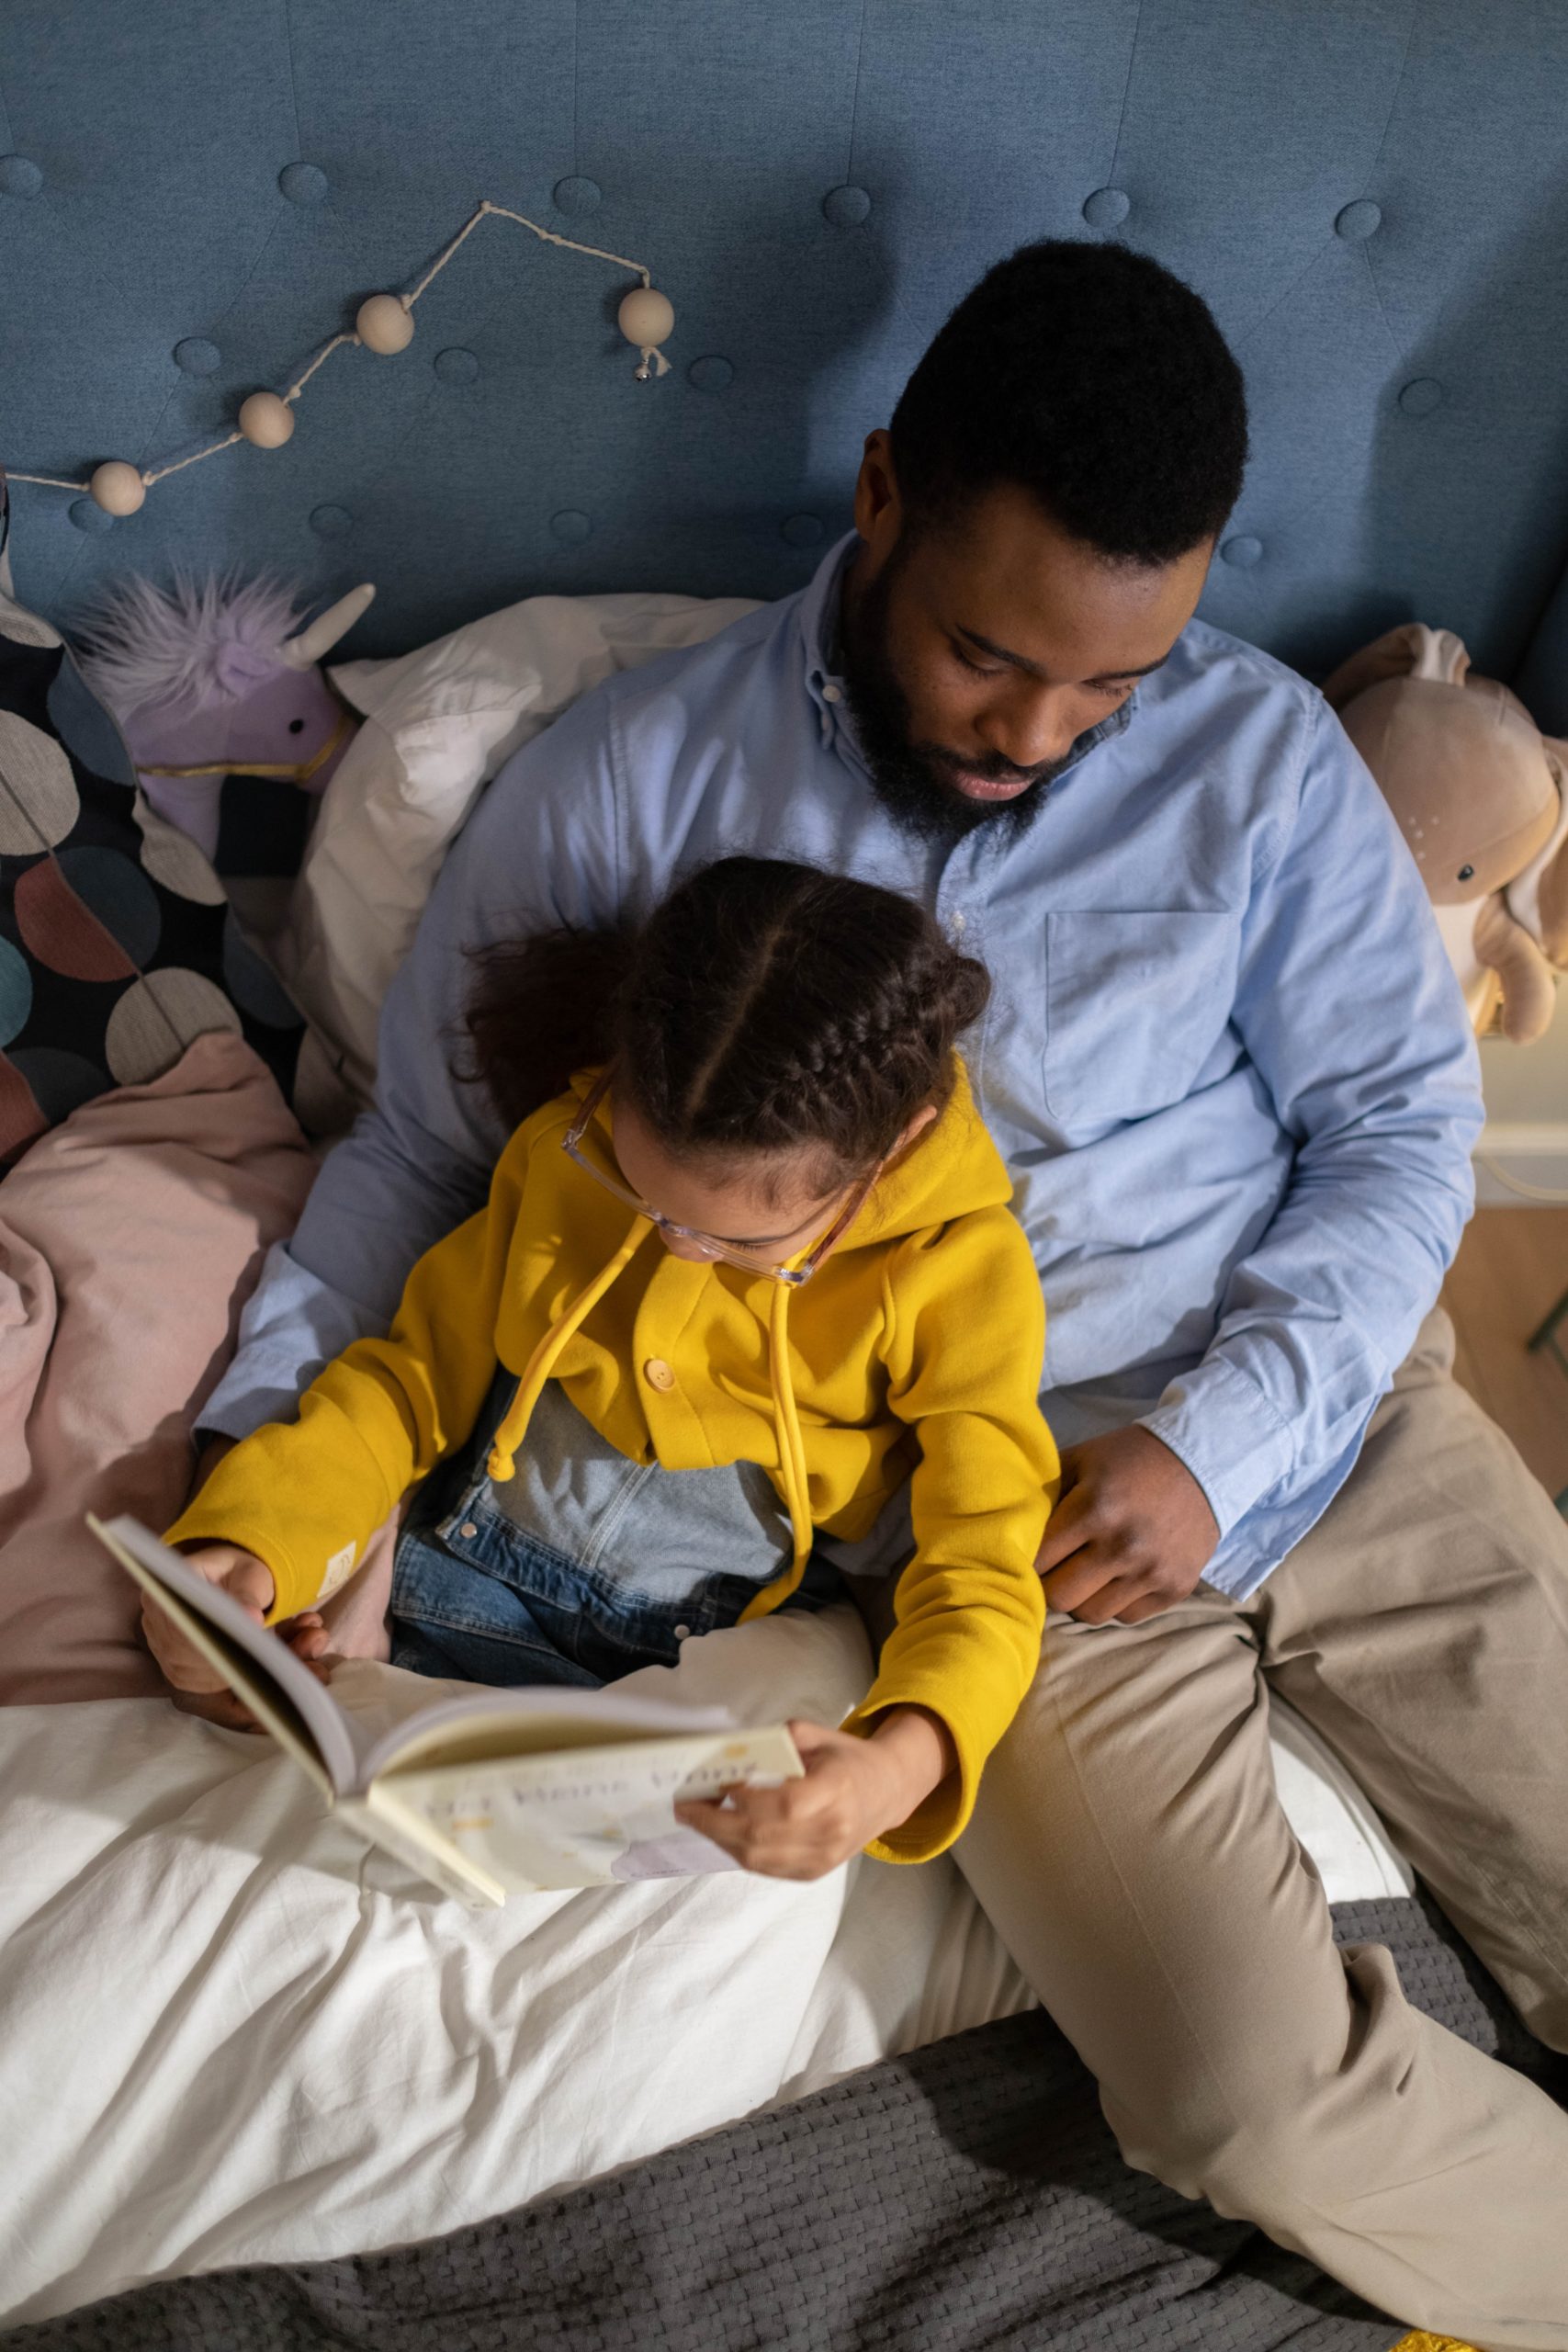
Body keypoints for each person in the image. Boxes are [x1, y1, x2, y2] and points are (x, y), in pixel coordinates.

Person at [192, 240, 1568, 2343]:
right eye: (987, 657)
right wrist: (256, 1475)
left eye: (1107, 683)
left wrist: (1218, 1439)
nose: (1038, 734)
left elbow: (1396, 1131)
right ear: (876, 499)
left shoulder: (1263, 761)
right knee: (1236, 2095)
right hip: (984, 1515)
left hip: (1327, 1402)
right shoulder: (634, 783)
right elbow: (422, 1159)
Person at [152, 857, 1056, 1881]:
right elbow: (406, 1382)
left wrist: (895, 1770)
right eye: (642, 1196)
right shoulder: (562, 1144)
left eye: (748, 1246)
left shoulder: (961, 1277)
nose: (679, 1251)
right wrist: (252, 1541)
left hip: (692, 1661)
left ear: (899, 1147)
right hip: (452, 1588)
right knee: (250, 1812)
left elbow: (982, 1568)